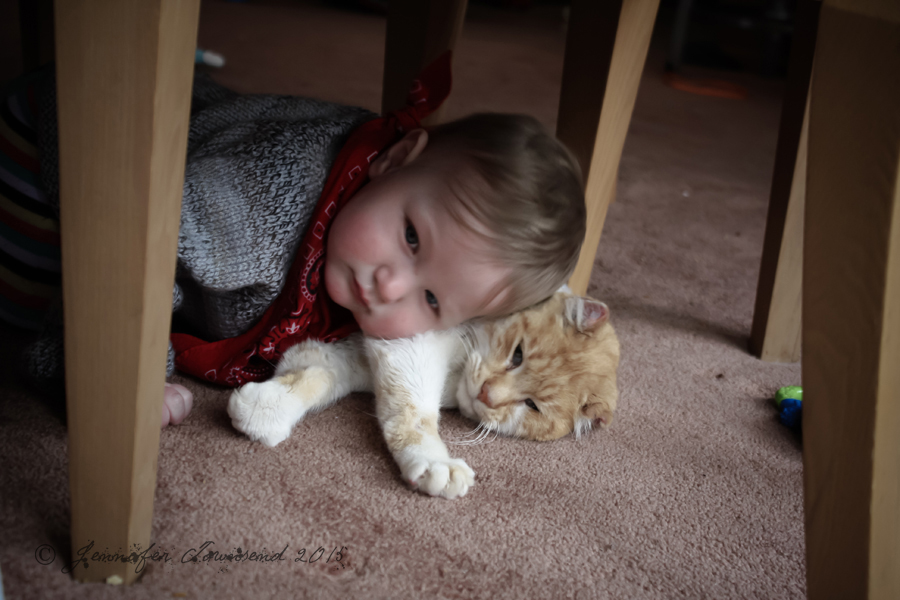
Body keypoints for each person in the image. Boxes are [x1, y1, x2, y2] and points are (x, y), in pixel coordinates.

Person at [3, 58, 584, 428]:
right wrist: (125, 372)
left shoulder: (381, 224)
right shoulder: (257, 206)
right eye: (411, 237)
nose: (389, 285)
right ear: (395, 159)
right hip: (57, 150)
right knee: (29, 297)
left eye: (431, 300)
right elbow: (131, 240)